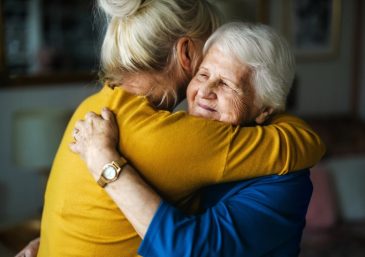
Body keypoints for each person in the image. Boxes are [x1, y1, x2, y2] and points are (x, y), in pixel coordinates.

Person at [19, 1, 324, 256]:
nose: (205, 91)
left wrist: (105, 166)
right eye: (204, 72)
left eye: (228, 84)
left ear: (265, 109)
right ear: (187, 54)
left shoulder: (90, 109)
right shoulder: (175, 137)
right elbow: (304, 143)